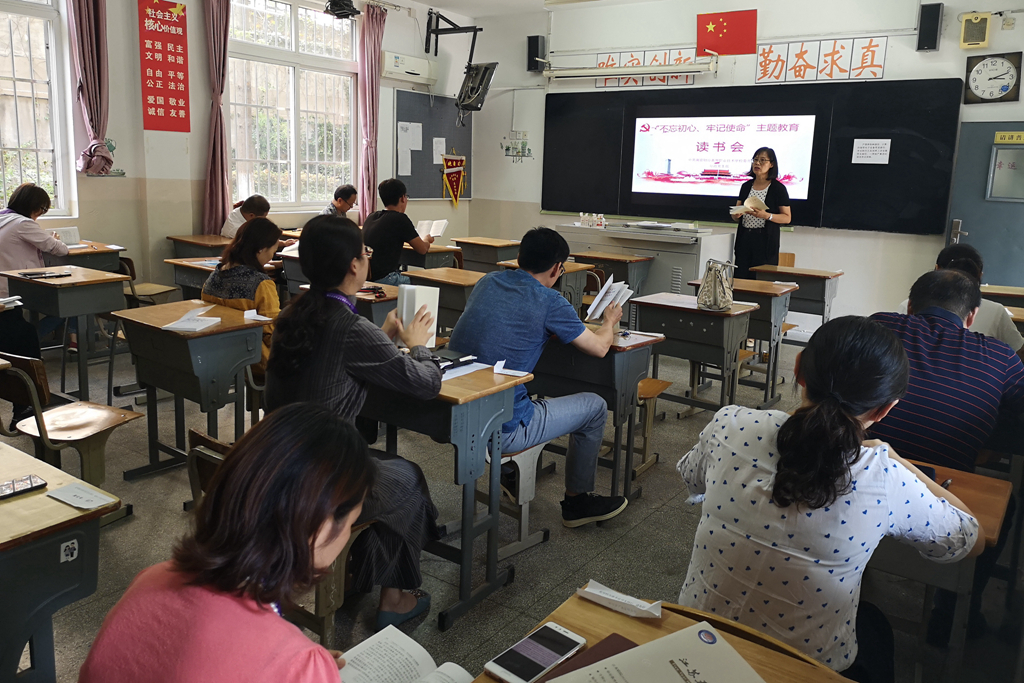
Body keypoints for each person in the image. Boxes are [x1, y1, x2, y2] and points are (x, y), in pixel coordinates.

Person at [677, 316, 982, 681]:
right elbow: (969, 538)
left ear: (798, 368)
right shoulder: (885, 476)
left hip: (696, 640)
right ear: (885, 409)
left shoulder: (729, 424)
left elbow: (691, 478)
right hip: (801, 671)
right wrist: (896, 459)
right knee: (874, 624)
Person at [78, 403, 375, 683]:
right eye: (350, 522)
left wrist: (302, 663)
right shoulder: (294, 665)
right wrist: (302, 668)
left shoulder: (150, 579)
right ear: (320, 526)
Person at [266, 215, 442, 631]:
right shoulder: (350, 326)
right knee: (408, 480)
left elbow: (335, 362)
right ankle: (394, 598)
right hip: (320, 475)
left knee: (393, 472)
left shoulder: (295, 312)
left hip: (279, 459)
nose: (368, 257)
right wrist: (419, 347)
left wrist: (383, 338)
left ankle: (357, 571)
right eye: (365, 251)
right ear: (353, 265)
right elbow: (427, 384)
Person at [869, 269, 1024, 641]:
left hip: (864, 476)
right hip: (943, 500)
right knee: (1006, 505)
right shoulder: (1001, 357)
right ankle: (952, 614)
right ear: (971, 316)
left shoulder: (877, 327)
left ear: (910, 306)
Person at [448, 227, 628, 528]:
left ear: (520, 257)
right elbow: (599, 348)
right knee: (596, 407)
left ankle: (509, 474)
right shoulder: (550, 301)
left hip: (459, 414)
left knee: (526, 386)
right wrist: (609, 321)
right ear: (557, 268)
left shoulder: (487, 281)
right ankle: (577, 502)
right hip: (501, 427)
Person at [0, 183, 69, 427]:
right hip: (7, 294)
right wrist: (53, 238)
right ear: (36, 207)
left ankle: (27, 404)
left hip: (6, 294)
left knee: (21, 335)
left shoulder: (3, 218)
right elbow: (59, 249)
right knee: (24, 342)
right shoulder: (23, 223)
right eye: (42, 210)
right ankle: (25, 407)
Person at [896, 243, 1024, 360]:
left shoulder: (908, 305)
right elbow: (1018, 352)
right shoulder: (995, 311)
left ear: (937, 269)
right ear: (971, 315)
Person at [201, 218, 282, 371]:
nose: (271, 257)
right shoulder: (261, 283)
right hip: (254, 360)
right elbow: (271, 332)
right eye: (273, 251)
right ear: (261, 249)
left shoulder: (214, 276)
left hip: (217, 356)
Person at [731, 147, 791, 279]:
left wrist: (767, 215)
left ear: (771, 164)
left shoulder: (778, 188)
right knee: (741, 277)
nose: (757, 163)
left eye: (763, 160)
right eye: (755, 160)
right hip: (744, 238)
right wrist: (736, 215)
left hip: (765, 240)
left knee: (761, 279)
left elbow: (787, 218)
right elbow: (736, 213)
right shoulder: (746, 186)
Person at [361, 178, 433, 286]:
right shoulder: (400, 219)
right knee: (427, 282)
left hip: (366, 277)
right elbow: (422, 249)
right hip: (386, 278)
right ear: (403, 198)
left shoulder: (371, 216)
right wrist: (427, 240)